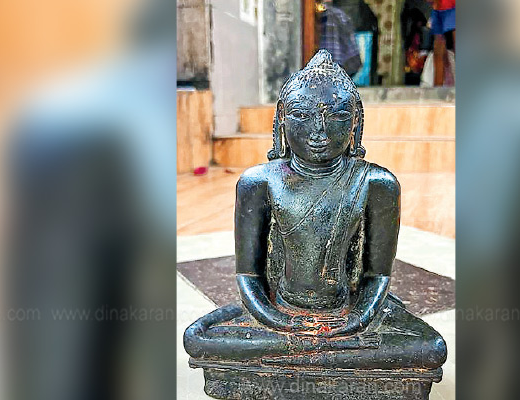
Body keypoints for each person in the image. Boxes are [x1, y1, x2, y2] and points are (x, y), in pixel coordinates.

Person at [184, 50, 446, 372]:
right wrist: (281, 322)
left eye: (337, 116)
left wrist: (356, 320)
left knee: (431, 348)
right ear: (281, 118)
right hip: (280, 313)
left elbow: (377, 276)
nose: (319, 130)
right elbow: (248, 277)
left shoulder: (376, 183)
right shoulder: (259, 182)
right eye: (301, 114)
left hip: (346, 314)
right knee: (197, 338)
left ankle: (304, 356)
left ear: (356, 122)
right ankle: (318, 355)